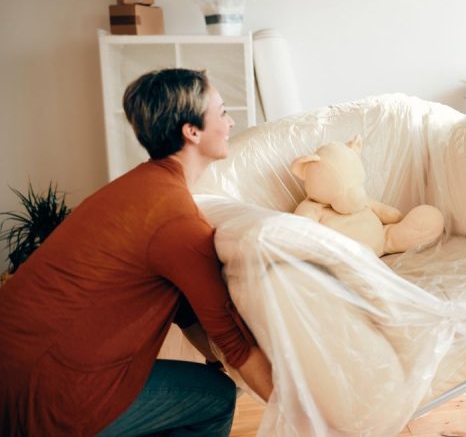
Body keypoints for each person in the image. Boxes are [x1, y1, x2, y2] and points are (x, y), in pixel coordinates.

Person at [0, 68, 273, 436]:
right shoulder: (177, 220)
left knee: (207, 382)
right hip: (49, 400)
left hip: (16, 374)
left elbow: (187, 313)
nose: (231, 121)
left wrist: (215, 359)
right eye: (222, 112)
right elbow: (234, 343)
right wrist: (315, 419)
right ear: (191, 132)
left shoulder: (134, 189)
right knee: (217, 397)